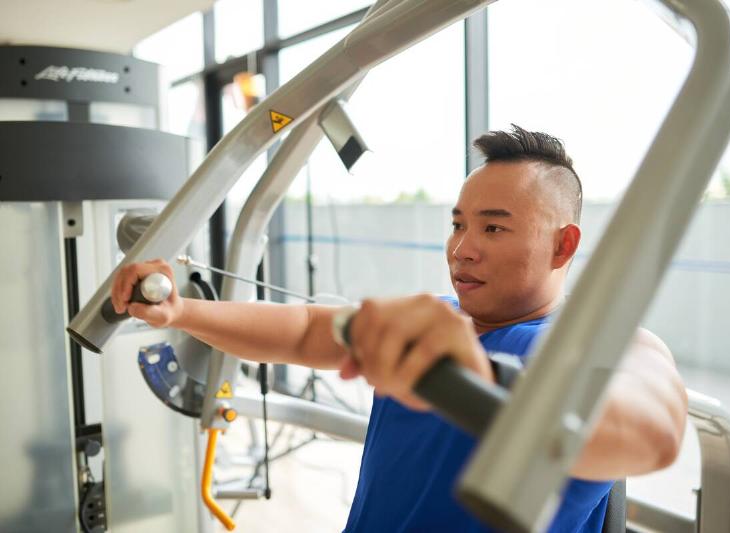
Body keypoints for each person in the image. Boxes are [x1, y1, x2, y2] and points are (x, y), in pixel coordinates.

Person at [111, 126, 688, 532]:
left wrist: (485, 379)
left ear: (563, 245)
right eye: (458, 224)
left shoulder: (601, 345)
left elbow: (655, 428)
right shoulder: (436, 317)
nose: (462, 250)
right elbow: (305, 328)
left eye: (493, 229)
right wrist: (180, 312)